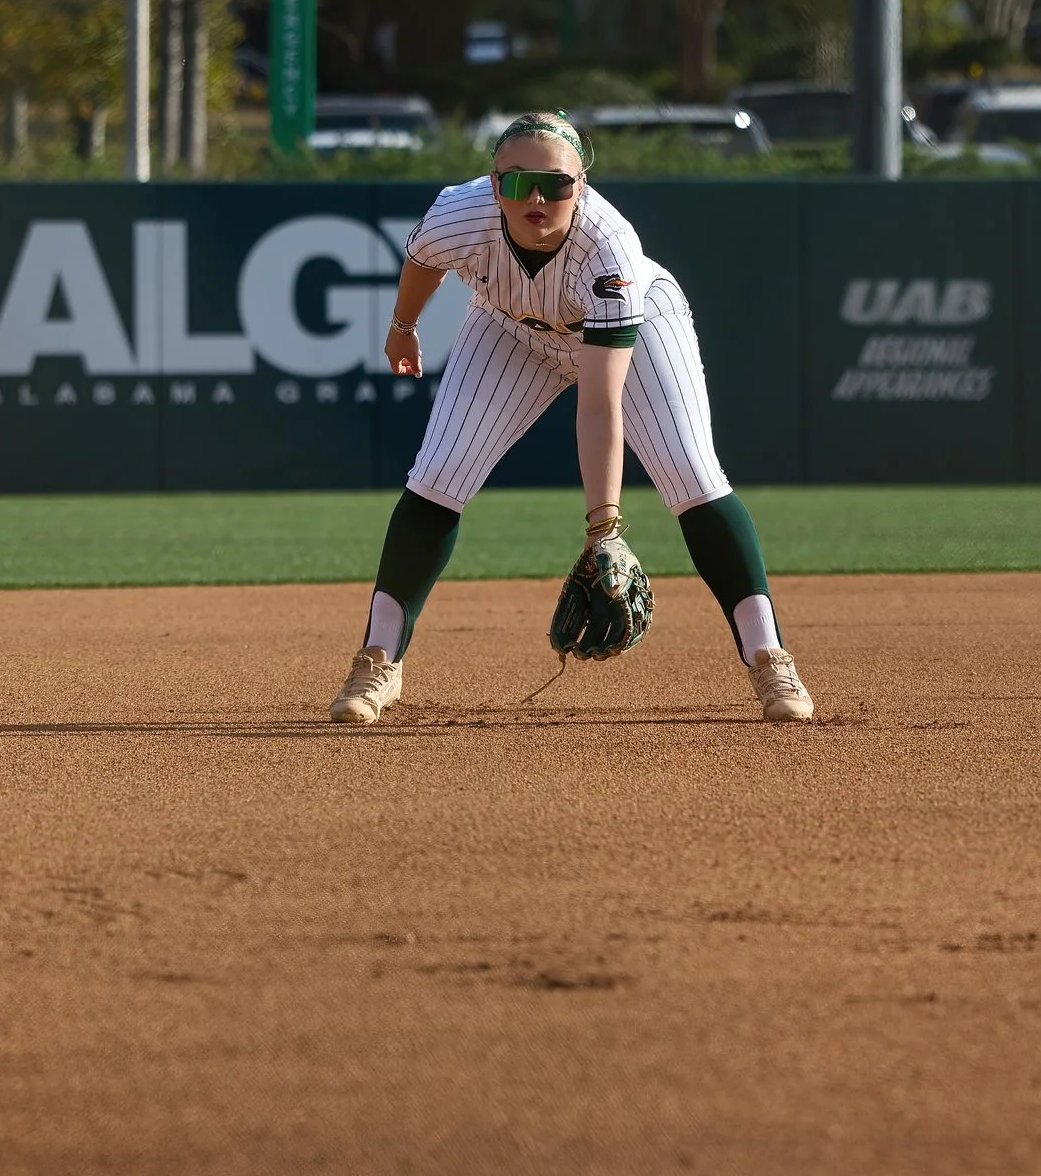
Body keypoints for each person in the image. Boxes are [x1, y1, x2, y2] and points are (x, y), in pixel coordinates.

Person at [330, 113, 815, 725]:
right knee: (438, 475)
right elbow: (424, 260)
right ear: (493, 182)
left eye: (555, 185)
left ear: (580, 185)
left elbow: (599, 401)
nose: (536, 198)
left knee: (692, 476)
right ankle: (378, 660)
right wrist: (402, 327)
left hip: (637, 326)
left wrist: (604, 528)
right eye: (517, 183)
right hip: (510, 327)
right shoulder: (459, 212)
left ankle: (770, 659)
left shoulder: (609, 251)